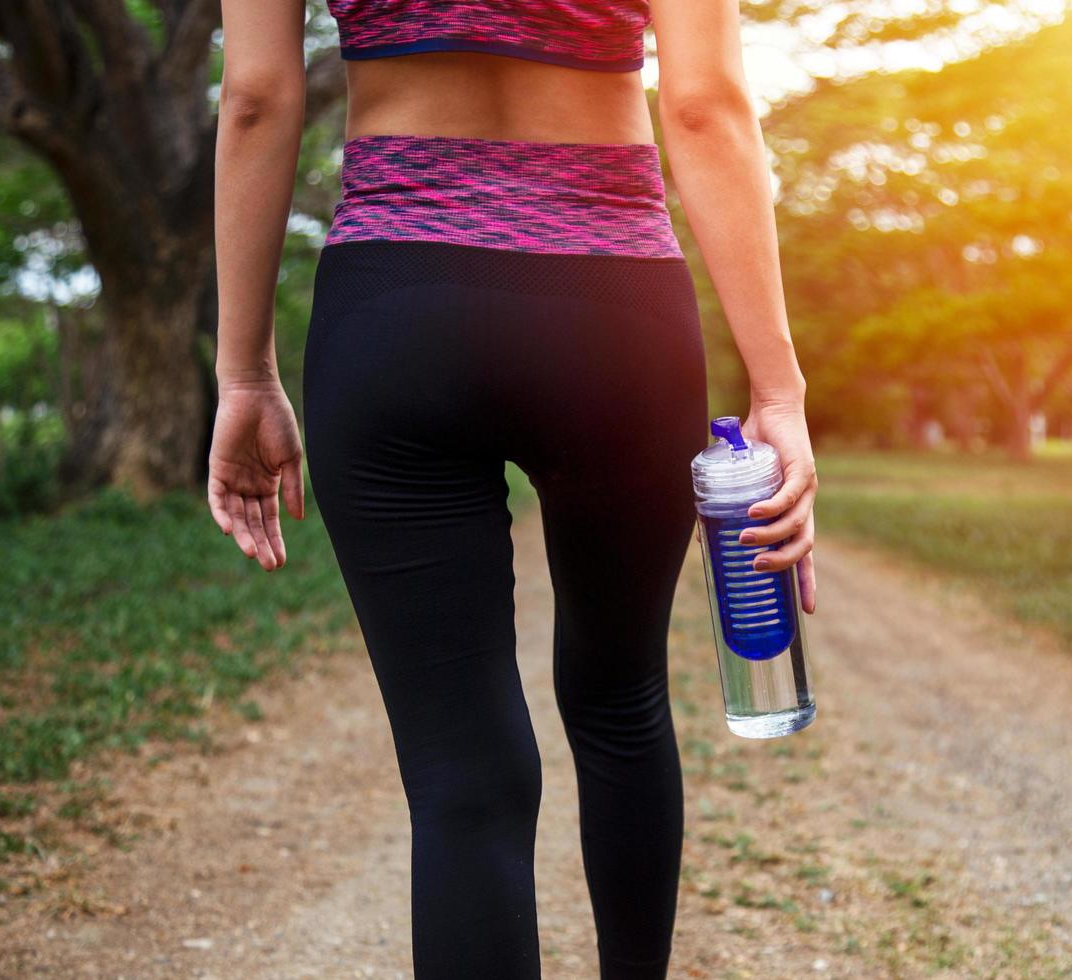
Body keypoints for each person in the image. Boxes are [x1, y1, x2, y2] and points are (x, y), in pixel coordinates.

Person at [206, 0, 817, 976]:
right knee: (621, 700)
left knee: (461, 771)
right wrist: (777, 387)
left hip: (396, 311)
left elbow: (256, 97)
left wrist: (244, 374)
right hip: (616, 310)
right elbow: (702, 105)